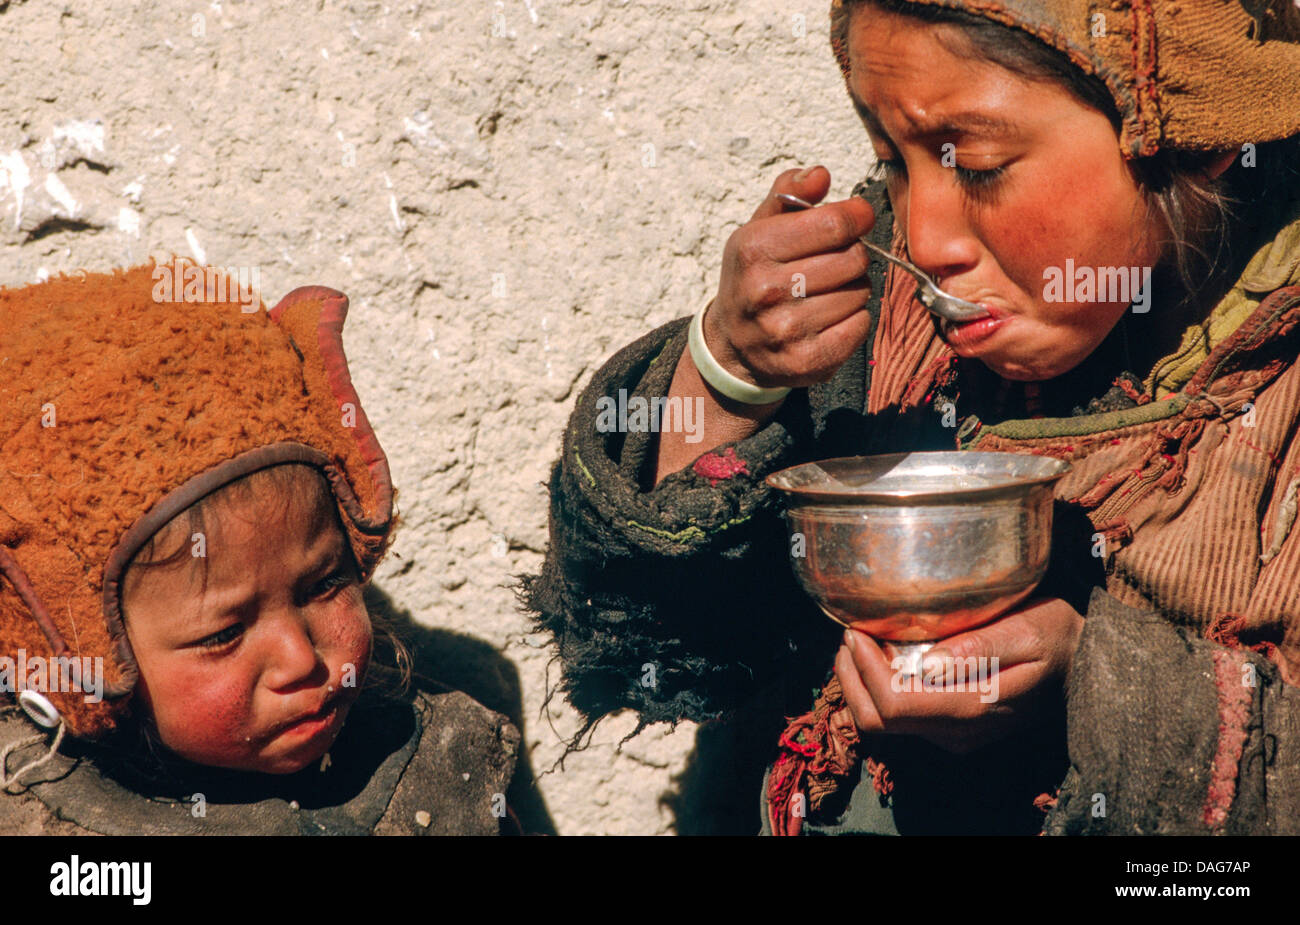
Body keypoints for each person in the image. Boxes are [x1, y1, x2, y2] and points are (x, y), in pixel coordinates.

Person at [522, 0, 1300, 835]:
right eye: (892, 158)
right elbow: (642, 648)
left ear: (1204, 135)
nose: (925, 239)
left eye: (981, 166)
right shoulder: (887, 327)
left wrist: (1096, 682)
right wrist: (730, 376)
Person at [0, 262, 520, 835]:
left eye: (323, 585)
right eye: (223, 633)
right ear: (74, 664)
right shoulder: (39, 818)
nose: (302, 660)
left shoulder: (440, 779)